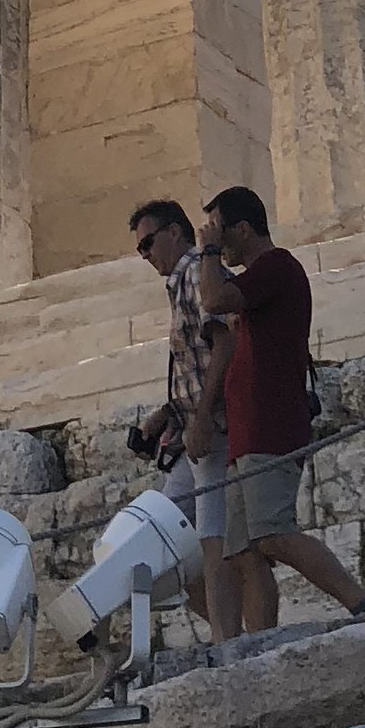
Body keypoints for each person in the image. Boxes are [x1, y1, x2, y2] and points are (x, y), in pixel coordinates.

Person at [194, 188, 365, 636]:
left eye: (220, 230)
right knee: (243, 551)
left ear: (243, 229)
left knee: (272, 533)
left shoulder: (277, 267)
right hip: (246, 433)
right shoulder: (258, 279)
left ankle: (361, 602)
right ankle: (260, 644)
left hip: (270, 425)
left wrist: (205, 252)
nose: (217, 241)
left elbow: (213, 299)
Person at [127, 197, 239, 641]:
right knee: (163, 543)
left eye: (148, 243)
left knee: (211, 541)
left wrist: (203, 419)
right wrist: (167, 415)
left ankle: (228, 643)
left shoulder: (196, 272)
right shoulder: (181, 281)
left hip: (213, 430)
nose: (145, 255)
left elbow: (224, 345)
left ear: (176, 232)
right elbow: (198, 359)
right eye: (140, 249)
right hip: (193, 431)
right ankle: (232, 629)